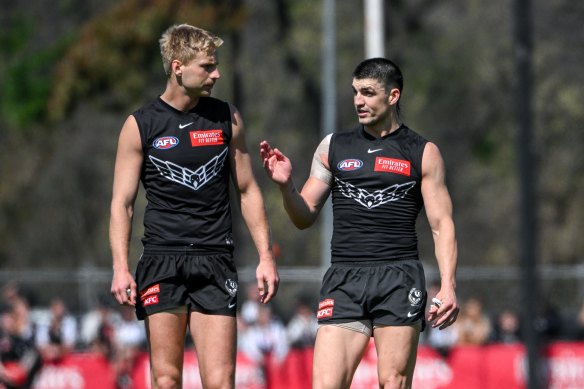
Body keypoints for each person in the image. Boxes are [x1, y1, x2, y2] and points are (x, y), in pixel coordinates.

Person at [261, 57, 459, 389]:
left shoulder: (422, 152)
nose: (358, 101)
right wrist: (286, 186)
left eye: (368, 92)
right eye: (355, 92)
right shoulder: (333, 147)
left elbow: (442, 224)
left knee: (392, 382)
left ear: (393, 96)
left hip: (398, 277)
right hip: (345, 278)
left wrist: (449, 284)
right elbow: (304, 215)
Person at [109, 24, 279, 389]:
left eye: (215, 65)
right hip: (162, 261)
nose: (216, 74)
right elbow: (122, 204)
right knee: (166, 378)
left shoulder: (226, 117)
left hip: (215, 259)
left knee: (220, 381)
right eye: (207, 66)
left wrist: (265, 256)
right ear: (177, 67)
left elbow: (248, 190)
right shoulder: (140, 125)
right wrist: (121, 268)